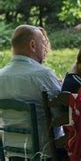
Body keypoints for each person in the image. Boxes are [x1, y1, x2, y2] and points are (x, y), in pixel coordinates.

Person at [0, 25, 62, 156]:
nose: (45, 48)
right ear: (33, 45)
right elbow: (61, 115)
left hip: (10, 152)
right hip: (44, 153)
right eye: (43, 43)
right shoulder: (43, 75)